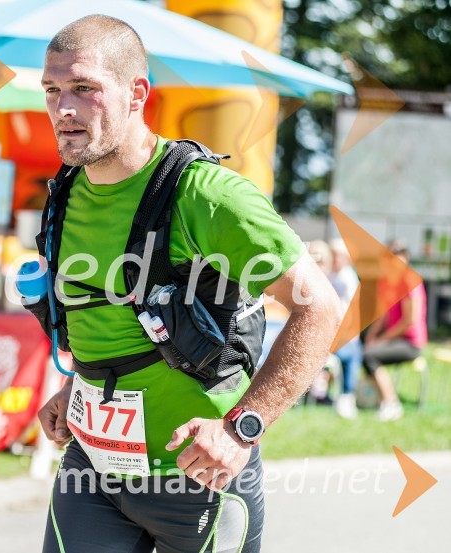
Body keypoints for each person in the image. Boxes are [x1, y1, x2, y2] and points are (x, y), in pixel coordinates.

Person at [35, 15, 341, 553]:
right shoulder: (65, 194)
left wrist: (242, 428)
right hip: (92, 469)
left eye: (84, 89)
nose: (64, 108)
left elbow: (320, 308)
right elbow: (116, 318)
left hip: (202, 474)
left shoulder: (207, 195)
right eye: (53, 90)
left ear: (137, 94)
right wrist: (74, 386)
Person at [362, 239, 427, 421]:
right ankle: (378, 399)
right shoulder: (385, 282)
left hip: (410, 343)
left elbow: (409, 321)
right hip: (393, 338)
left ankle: (392, 403)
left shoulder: (410, 281)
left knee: (370, 356)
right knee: (365, 348)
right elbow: (382, 315)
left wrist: (382, 340)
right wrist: (372, 336)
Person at [328, 238, 362, 418]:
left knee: (352, 353)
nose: (335, 260)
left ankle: (347, 395)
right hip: (329, 330)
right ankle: (346, 395)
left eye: (339, 256)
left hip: (342, 331)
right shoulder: (329, 275)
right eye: (333, 255)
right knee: (352, 355)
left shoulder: (348, 278)